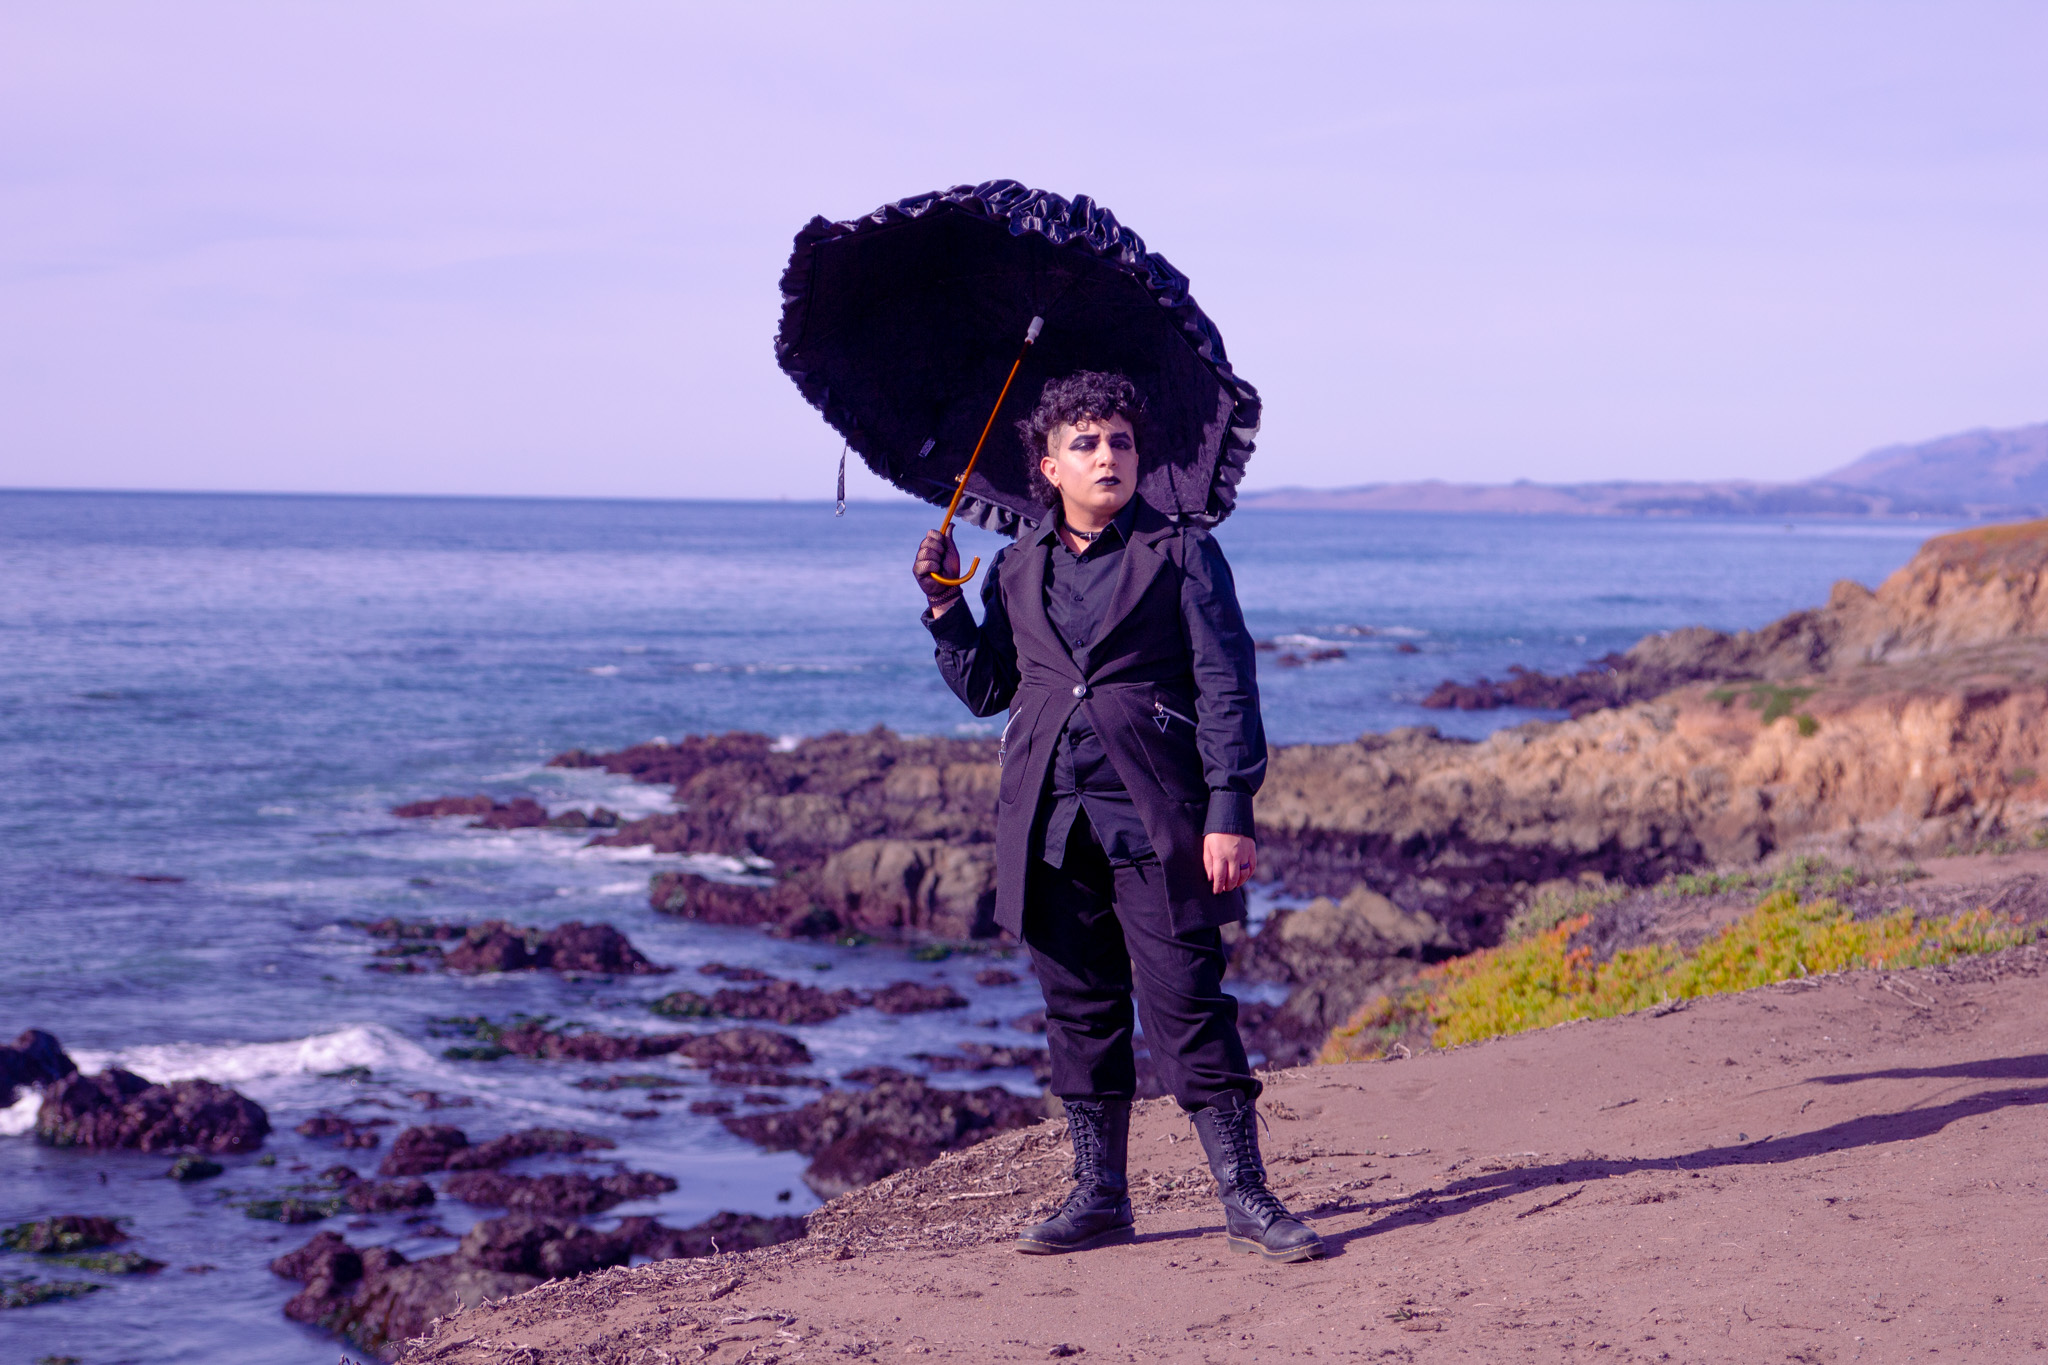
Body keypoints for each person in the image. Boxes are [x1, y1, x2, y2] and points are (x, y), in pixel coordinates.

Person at [911, 370, 1322, 1265]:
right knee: (1079, 1013)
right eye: (1087, 443)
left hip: (1158, 818)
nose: (1109, 457)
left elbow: (1227, 685)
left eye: (1121, 442)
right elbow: (989, 688)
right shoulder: (1016, 566)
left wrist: (1230, 807)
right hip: (1047, 823)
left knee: (1189, 1007)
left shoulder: (1183, 554)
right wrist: (944, 603)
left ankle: (1247, 1196)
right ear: (1049, 465)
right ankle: (1099, 1197)